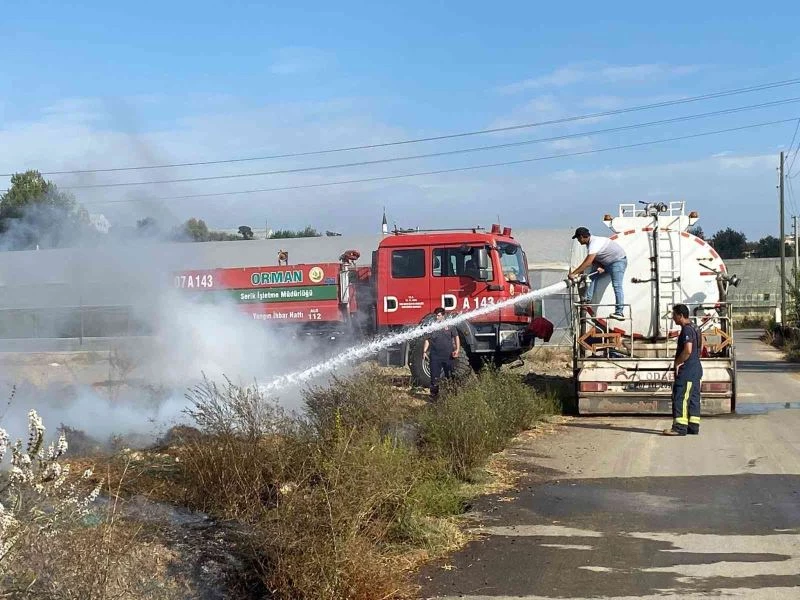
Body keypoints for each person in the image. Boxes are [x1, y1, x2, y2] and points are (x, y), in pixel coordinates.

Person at [568, 227, 628, 320]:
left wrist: (573, 273)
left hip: (618, 262)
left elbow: (588, 262)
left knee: (617, 285)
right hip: (607, 264)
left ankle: (619, 312)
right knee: (590, 277)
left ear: (582, 237)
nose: (578, 241)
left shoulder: (594, 243)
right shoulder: (590, 244)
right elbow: (595, 258)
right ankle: (587, 300)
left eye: (578, 238)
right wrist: (600, 266)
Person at [663, 304, 703, 436]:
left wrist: (678, 362)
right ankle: (693, 426)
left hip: (687, 370)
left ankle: (679, 427)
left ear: (680, 316)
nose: (673, 318)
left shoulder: (686, 330)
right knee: (693, 398)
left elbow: (688, 350)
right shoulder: (695, 327)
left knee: (681, 398)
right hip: (696, 368)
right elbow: (701, 346)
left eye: (674, 315)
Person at [423, 307, 460, 398]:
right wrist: (424, 351)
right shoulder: (432, 327)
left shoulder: (450, 325)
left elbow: (456, 337)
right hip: (435, 357)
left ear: (443, 316)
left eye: (439, 315)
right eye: (436, 316)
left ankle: (452, 396)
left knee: (450, 376)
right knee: (434, 378)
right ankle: (434, 396)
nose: (437, 317)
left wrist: (457, 349)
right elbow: (427, 340)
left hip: (448, 356)